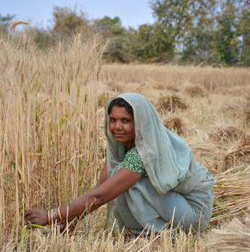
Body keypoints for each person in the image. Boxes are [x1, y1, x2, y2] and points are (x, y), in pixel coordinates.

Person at [25, 93, 215, 235]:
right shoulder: (121, 147)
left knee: (128, 184)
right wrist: (72, 219)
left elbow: (101, 196)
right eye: (113, 120)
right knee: (118, 181)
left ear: (140, 123)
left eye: (126, 121)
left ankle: (160, 233)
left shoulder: (145, 151)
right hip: (172, 205)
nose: (117, 127)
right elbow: (101, 187)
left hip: (193, 213)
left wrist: (50, 216)